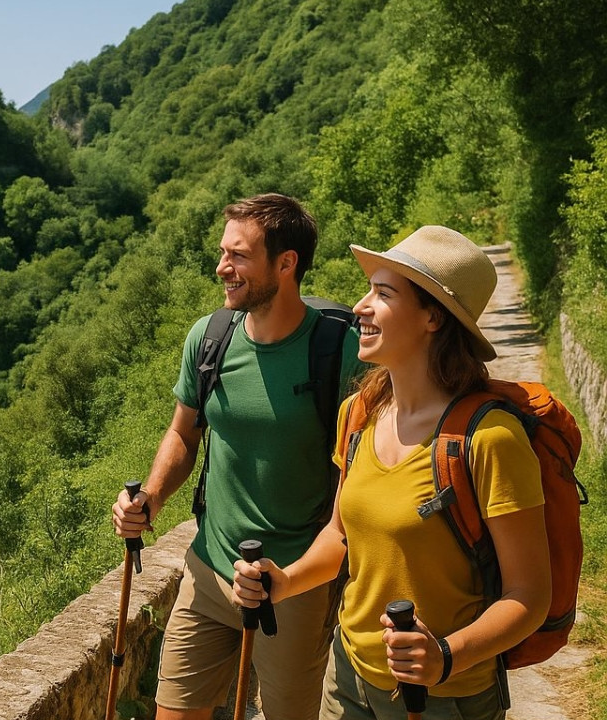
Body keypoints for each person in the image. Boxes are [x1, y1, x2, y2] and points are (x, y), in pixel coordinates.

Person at [231, 226, 552, 720]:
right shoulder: (358, 413)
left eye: (383, 293)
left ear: (433, 317)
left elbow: (529, 596)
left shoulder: (489, 440)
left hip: (445, 697)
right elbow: (340, 535)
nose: (360, 306)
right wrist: (284, 580)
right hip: (348, 677)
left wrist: (444, 657)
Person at [112, 193, 365, 720]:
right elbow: (184, 433)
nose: (222, 267)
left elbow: (356, 476)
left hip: (294, 583)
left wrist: (303, 573)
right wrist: (152, 498)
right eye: (223, 252)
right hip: (208, 568)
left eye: (239, 255)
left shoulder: (340, 353)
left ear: (286, 262)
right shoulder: (209, 339)